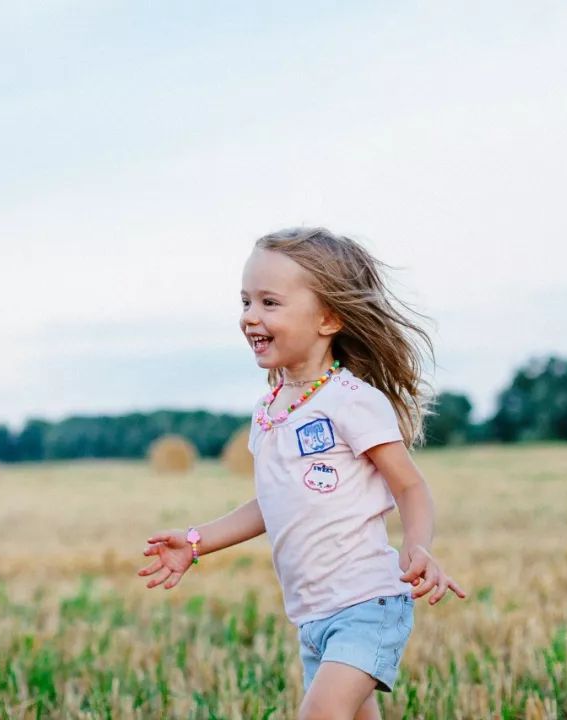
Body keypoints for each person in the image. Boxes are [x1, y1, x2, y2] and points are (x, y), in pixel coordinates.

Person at [138, 227, 466, 720]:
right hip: (312, 616)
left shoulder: (353, 402)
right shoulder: (269, 410)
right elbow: (271, 502)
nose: (251, 316)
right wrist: (196, 540)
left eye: (270, 302)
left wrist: (417, 546)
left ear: (329, 317)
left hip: (367, 604)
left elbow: (409, 485)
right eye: (245, 301)